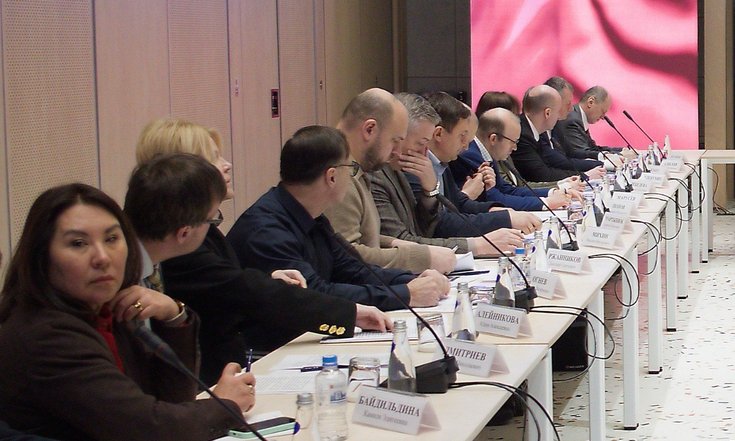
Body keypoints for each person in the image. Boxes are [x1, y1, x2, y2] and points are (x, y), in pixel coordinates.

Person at [135, 119, 391, 384]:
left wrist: (271, 280)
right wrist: (350, 314)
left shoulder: (206, 233)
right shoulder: (188, 244)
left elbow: (232, 289)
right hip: (213, 378)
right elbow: (246, 291)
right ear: (181, 173)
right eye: (213, 158)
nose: (227, 164)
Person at [0, 182, 254, 441]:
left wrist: (173, 316)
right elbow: (151, 429)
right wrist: (225, 405)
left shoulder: (106, 310)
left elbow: (171, 401)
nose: (102, 257)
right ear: (42, 257)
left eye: (111, 239)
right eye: (78, 243)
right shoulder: (46, 336)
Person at [227, 125, 450, 311]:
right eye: (350, 168)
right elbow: (315, 293)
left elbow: (355, 270)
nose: (352, 175)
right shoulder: (267, 231)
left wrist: (414, 280)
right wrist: (405, 294)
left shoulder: (312, 217)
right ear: (331, 177)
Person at [369, 93, 525, 256]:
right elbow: (414, 237)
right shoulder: (381, 174)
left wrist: (430, 192)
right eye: (421, 143)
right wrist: (477, 245)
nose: (425, 152)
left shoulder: (411, 166)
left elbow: (426, 227)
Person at [323, 88, 456, 274]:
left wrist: (393, 242)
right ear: (369, 129)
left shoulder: (357, 169)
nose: (398, 151)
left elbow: (359, 240)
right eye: (395, 141)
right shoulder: (339, 175)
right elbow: (346, 255)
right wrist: (422, 258)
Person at [418, 91, 541, 236]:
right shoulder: (417, 167)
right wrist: (502, 219)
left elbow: (458, 203)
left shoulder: (442, 162)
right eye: (462, 136)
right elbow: (440, 224)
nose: (465, 146)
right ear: (438, 134)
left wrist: (493, 210)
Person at [462, 107, 578, 211]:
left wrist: (552, 192)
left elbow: (508, 190)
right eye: (513, 141)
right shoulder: (471, 155)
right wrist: (546, 203)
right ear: (493, 139)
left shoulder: (487, 153)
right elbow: (494, 198)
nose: (515, 148)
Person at [511, 85, 605, 182]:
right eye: (558, 111)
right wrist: (583, 176)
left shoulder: (534, 130)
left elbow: (555, 160)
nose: (560, 115)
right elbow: (543, 175)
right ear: (547, 113)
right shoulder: (523, 134)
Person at [553, 85, 636, 161]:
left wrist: (621, 151)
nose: (603, 117)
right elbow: (582, 153)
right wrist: (617, 155)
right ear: (590, 102)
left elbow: (593, 148)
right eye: (603, 111)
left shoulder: (578, 117)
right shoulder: (573, 119)